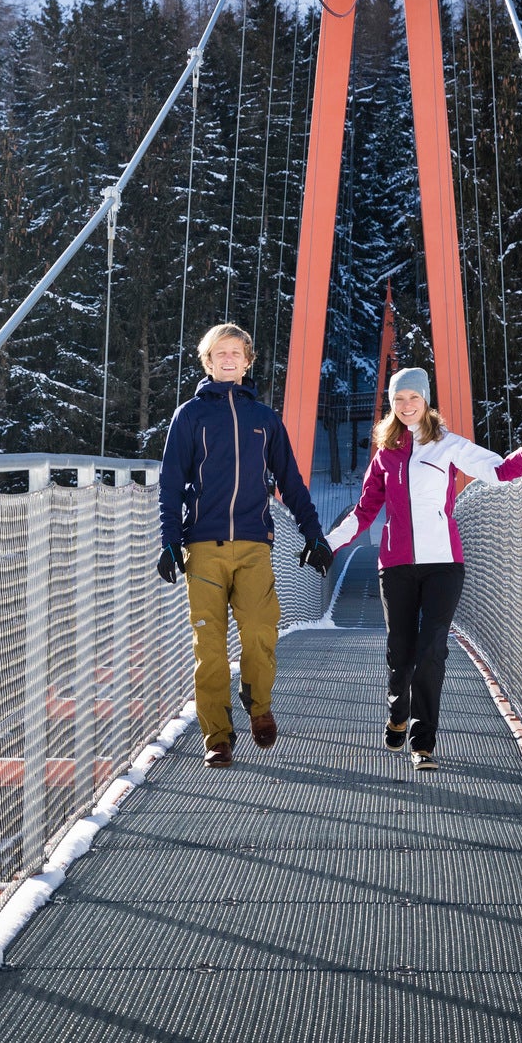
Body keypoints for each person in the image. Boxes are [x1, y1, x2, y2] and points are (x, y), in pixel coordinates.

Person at [351, 367, 522, 771]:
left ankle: (424, 743)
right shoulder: (384, 455)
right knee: (400, 655)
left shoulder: (447, 445)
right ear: (392, 405)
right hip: (397, 565)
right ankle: (397, 711)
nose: (406, 406)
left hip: (444, 564)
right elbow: (366, 509)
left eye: (413, 398)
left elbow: (495, 470)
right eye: (398, 399)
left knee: (432, 650)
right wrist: (328, 542)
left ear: (426, 401)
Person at [156, 323, 330, 769]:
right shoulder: (190, 416)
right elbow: (171, 482)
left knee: (258, 632)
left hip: (254, 544)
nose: (228, 359)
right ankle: (217, 736)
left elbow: (291, 482)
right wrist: (170, 541)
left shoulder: (265, 420)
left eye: (236, 352)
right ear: (208, 361)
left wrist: (313, 533)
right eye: (219, 353)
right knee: (209, 649)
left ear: (247, 361)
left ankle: (258, 703)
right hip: (204, 548)